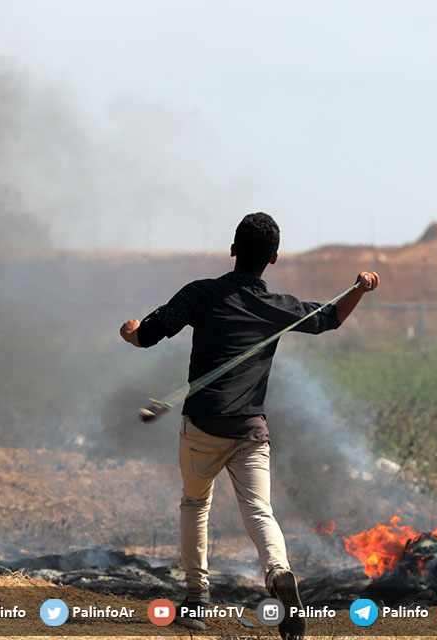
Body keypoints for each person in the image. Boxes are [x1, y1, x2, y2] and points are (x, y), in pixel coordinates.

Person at [119, 212, 379, 640]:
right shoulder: (279, 307)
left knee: (195, 504)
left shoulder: (200, 294)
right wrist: (359, 289)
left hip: (202, 426)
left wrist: (129, 331)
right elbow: (330, 318)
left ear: (234, 249)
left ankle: (197, 601)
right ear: (273, 259)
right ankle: (278, 571)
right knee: (260, 511)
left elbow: (148, 334)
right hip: (251, 431)